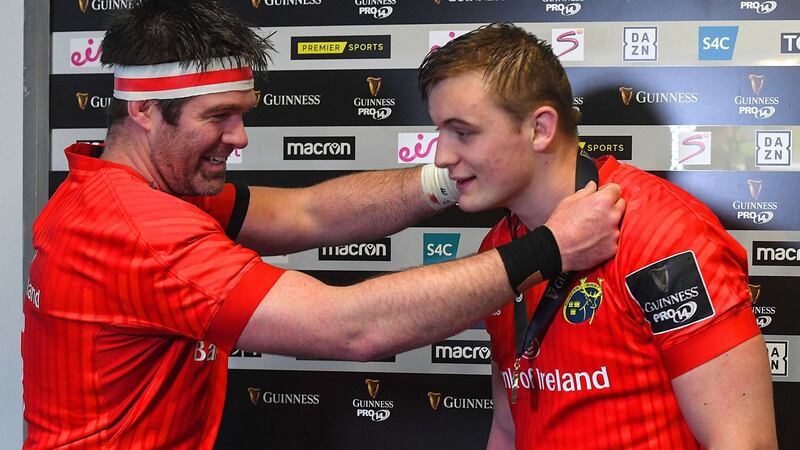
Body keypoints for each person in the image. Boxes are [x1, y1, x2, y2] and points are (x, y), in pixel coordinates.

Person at [20, 3, 625, 449]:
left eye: (242, 114)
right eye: (219, 116)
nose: (239, 137)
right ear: (144, 109)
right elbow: (349, 327)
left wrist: (456, 176)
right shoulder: (135, 227)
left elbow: (306, 212)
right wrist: (550, 249)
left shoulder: (136, 190)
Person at [418, 22, 778, 450]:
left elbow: (744, 442)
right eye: (439, 132)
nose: (441, 157)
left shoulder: (664, 234)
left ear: (540, 129)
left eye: (462, 132)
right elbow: (508, 429)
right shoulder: (499, 245)